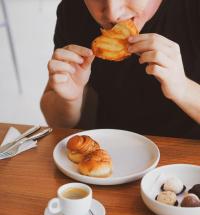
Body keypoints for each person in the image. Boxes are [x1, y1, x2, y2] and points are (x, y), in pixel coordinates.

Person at [40, 0, 200, 139]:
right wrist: (69, 100)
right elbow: (55, 122)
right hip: (110, 152)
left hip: (186, 160)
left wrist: (184, 89)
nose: (112, 13)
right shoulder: (74, 9)